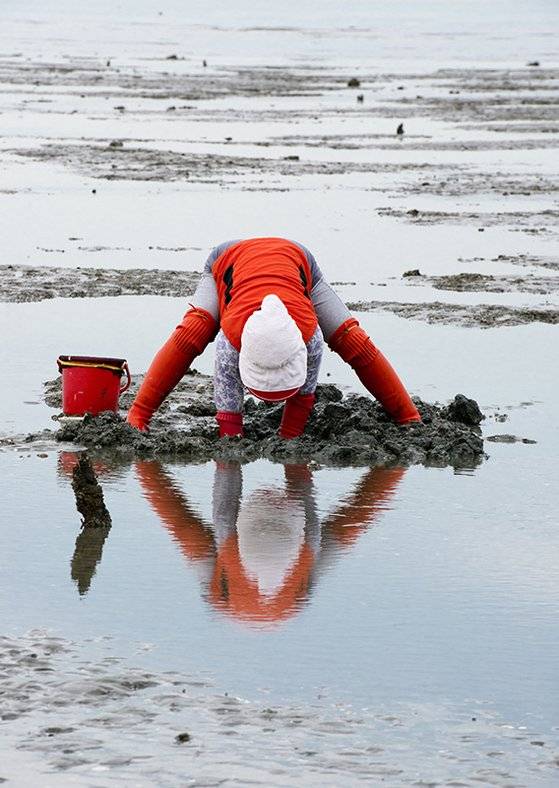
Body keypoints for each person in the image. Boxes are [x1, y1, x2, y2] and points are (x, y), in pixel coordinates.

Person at [127, 237, 420, 437]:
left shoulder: (310, 339)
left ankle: (408, 416)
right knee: (195, 329)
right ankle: (138, 414)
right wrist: (231, 439)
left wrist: (289, 438)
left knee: (351, 339)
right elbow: (227, 399)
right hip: (227, 262)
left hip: (297, 262)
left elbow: (304, 395)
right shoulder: (230, 342)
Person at [135, 459, 407, 625]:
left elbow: (179, 521)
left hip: (265, 578)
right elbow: (357, 516)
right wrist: (394, 469)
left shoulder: (221, 579)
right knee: (294, 483)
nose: (269, 494)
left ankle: (293, 473)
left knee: (228, 478)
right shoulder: (302, 572)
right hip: (284, 574)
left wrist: (144, 465)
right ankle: (296, 473)